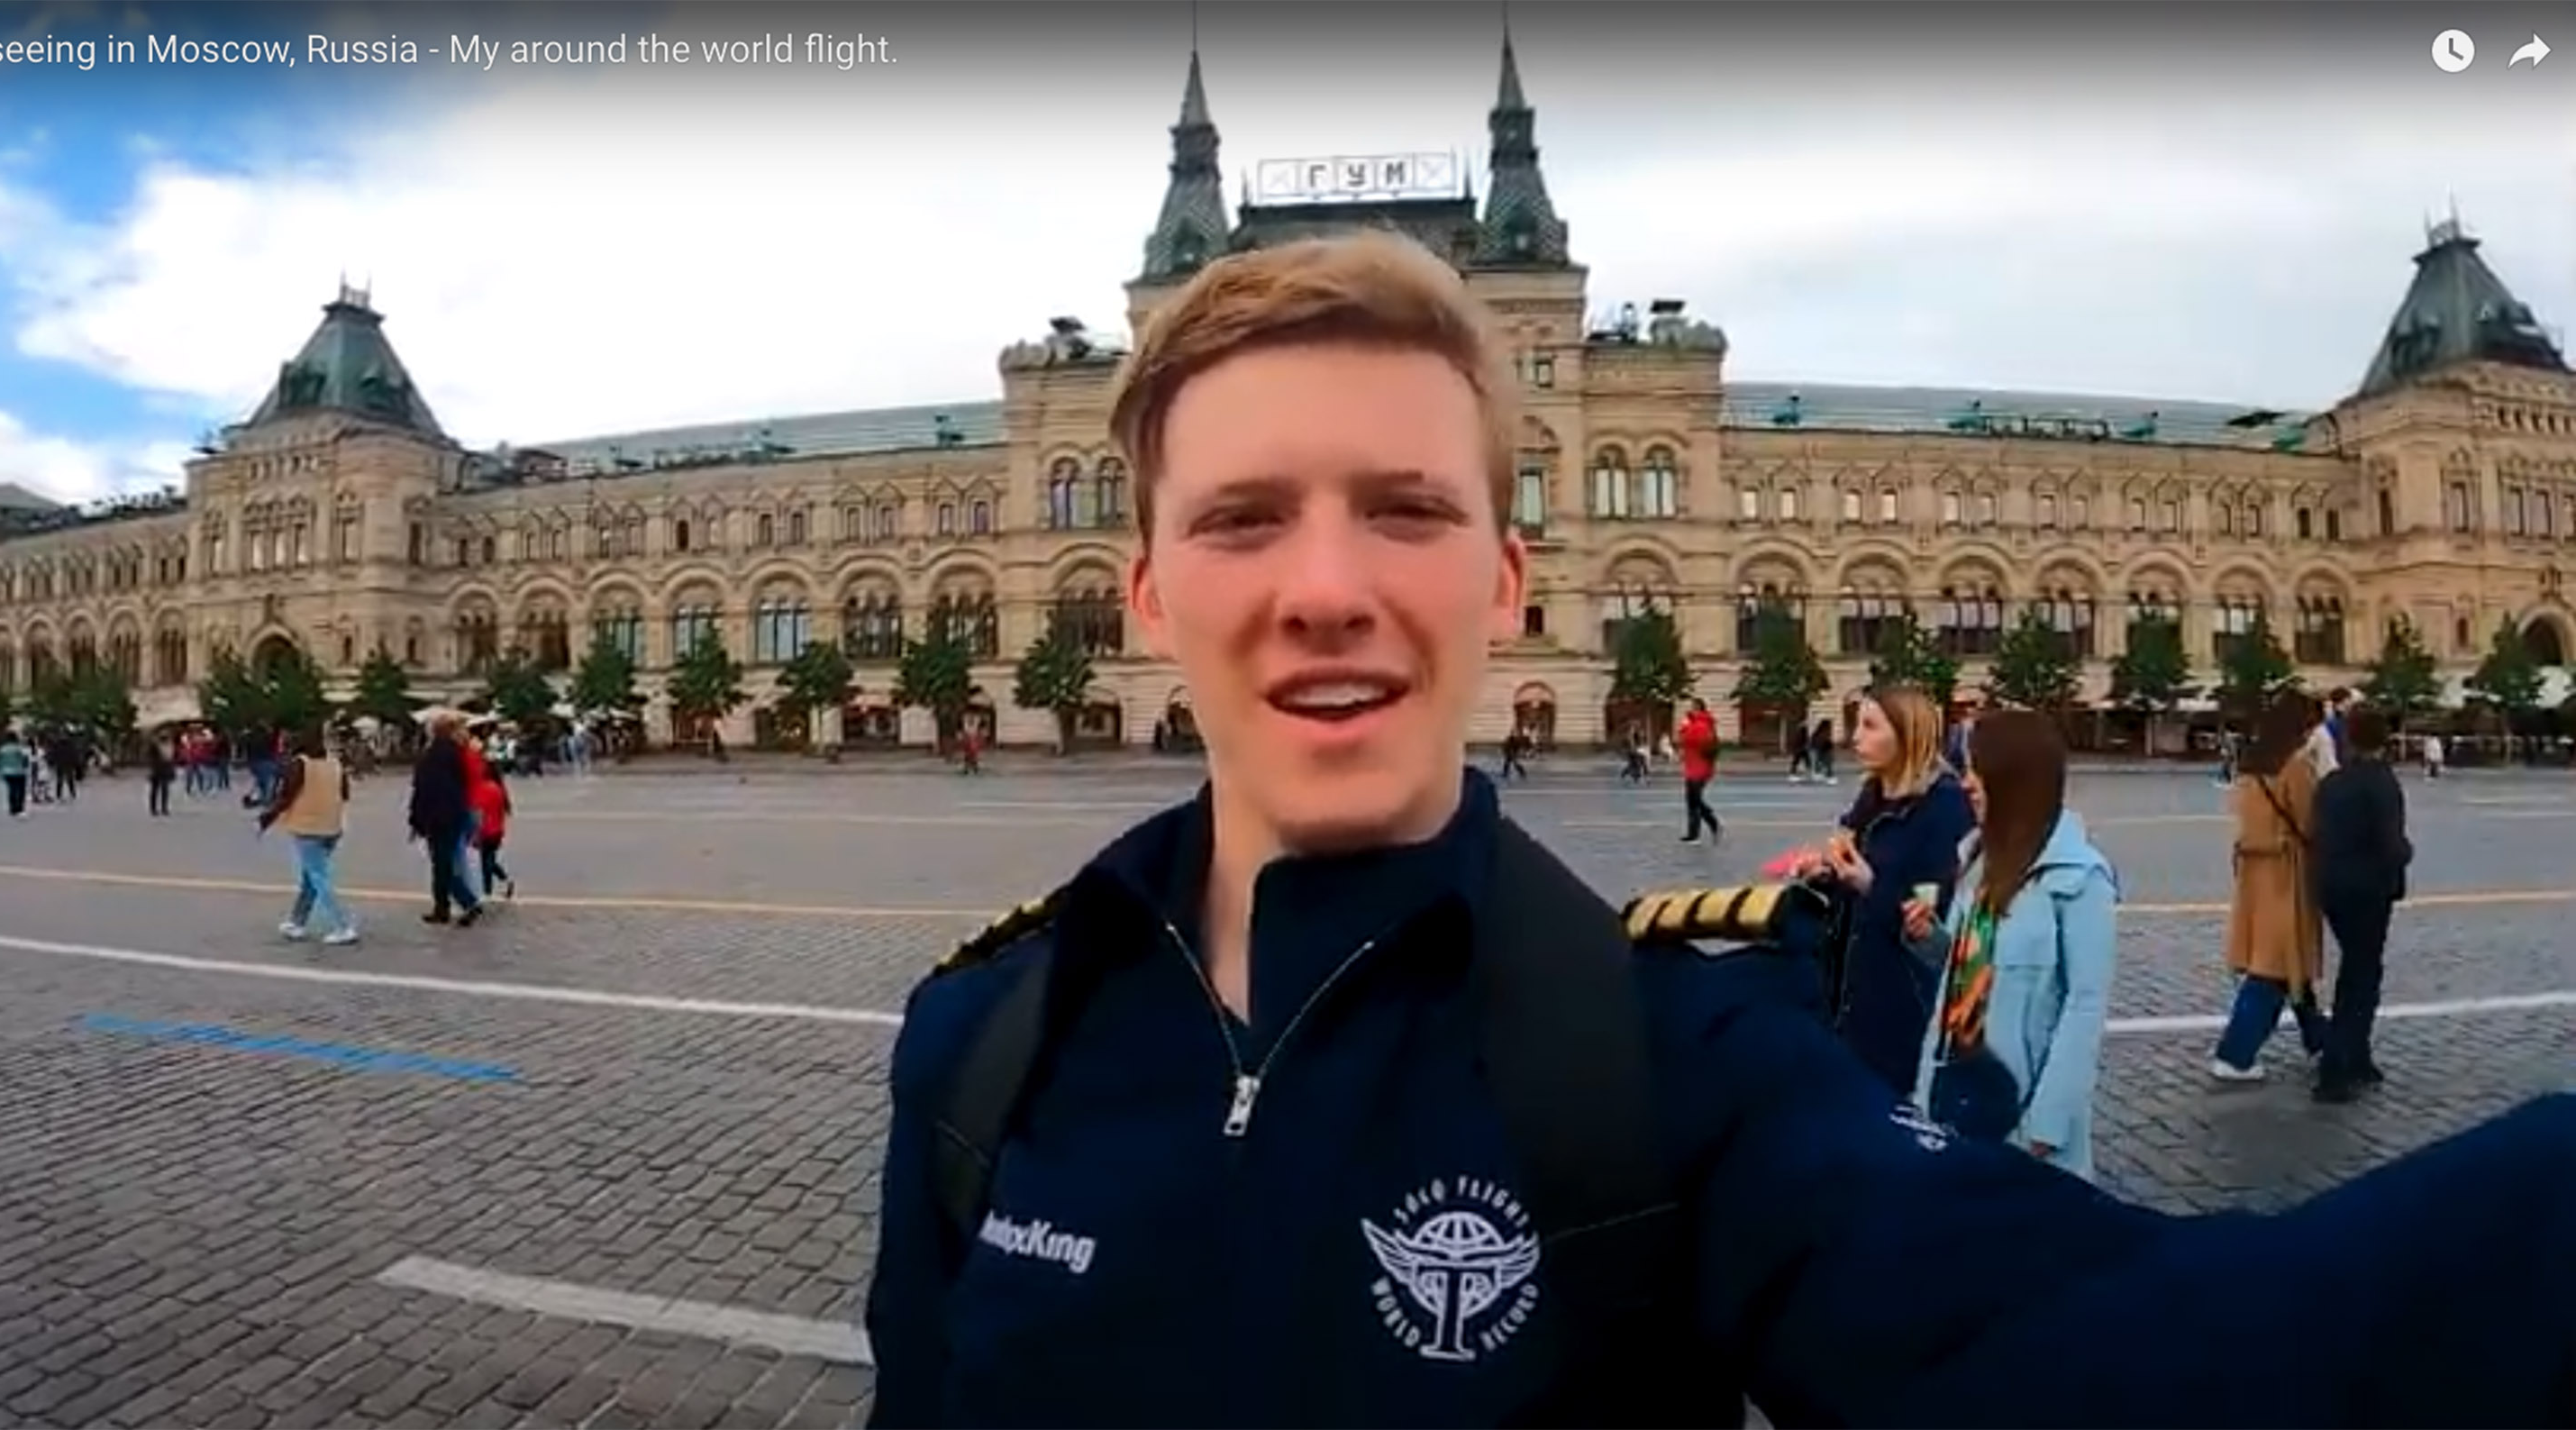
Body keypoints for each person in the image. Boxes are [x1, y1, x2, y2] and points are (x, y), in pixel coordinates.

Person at [865, 233, 2576, 1428]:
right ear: (1143, 591)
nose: (1329, 590)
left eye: (1408, 509)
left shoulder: (1679, 1055)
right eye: (1244, 518)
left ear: (1508, 576)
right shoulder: (981, 1043)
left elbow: (2143, 1358)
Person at [1904, 709, 2117, 1180]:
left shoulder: (2081, 879)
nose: (1966, 783)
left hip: (2020, 1112)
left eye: (1976, 769)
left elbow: (2085, 1006)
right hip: (1953, 1088)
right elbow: (1971, 974)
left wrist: (2045, 1127)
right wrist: (1933, 940)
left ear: (2015, 777)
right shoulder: (1979, 859)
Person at [1791, 684, 1974, 1097]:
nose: (1856, 737)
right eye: (1858, 724)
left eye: (1871, 726)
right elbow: (1849, 876)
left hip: (1899, 1000)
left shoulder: (1944, 808)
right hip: (1846, 987)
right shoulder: (1871, 794)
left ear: (1907, 734)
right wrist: (1824, 872)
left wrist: (1871, 885)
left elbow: (1931, 921)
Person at [2211, 696, 2329, 1081]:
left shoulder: (2250, 765)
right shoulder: (2294, 765)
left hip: (2254, 874)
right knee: (2275, 966)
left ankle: (2320, 1040)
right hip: (2286, 873)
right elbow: (2311, 821)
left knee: (2286, 961)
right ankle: (2235, 1053)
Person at [2311, 707, 2408, 1104]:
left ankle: (2357, 1056)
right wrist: (2405, 854)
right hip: (2369, 888)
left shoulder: (2332, 783)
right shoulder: (2382, 783)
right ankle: (2338, 1063)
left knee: (2356, 968)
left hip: (2331, 886)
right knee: (2362, 974)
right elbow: (2392, 843)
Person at [258, 727, 358, 945]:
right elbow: (345, 793)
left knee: (318, 877)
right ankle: (297, 921)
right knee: (310, 877)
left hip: (307, 826)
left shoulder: (300, 764)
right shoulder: (335, 763)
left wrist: (269, 816)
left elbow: (287, 796)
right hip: (332, 825)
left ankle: (343, 925)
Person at [406, 714, 483, 926]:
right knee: (442, 863)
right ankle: (442, 908)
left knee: (442, 865)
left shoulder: (431, 756)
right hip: (456, 813)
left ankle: (468, 903)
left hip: (438, 817)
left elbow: (423, 790)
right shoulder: (458, 754)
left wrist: (415, 820)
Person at [1676, 697, 1722, 843]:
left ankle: (1710, 824)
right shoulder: (1700, 723)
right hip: (1695, 766)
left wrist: (1684, 729)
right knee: (1693, 800)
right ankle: (1695, 832)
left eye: (1692, 707)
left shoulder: (1701, 724)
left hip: (1699, 768)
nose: (1690, 710)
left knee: (1693, 800)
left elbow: (1691, 740)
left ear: (1699, 709)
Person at [469, 757, 515, 900]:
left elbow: (478, 813)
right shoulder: (498, 788)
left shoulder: (483, 788)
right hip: (497, 830)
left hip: (486, 831)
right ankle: (506, 881)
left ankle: (487, 892)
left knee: (486, 863)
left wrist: (474, 834)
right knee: (489, 860)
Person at [0, 731, 30, 818]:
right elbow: (25, 759)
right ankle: (20, 809)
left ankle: (12, 809)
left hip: (6, 772)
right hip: (19, 771)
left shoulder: (2, 749)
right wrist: (25, 766)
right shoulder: (19, 748)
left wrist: (0, 768)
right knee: (20, 790)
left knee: (11, 789)